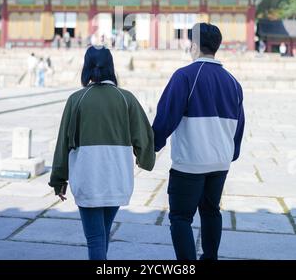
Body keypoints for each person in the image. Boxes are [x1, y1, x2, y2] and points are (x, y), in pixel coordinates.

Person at [49, 46, 155, 260]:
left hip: (87, 179)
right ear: (111, 68)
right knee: (102, 234)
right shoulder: (126, 98)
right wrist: (144, 160)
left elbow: (63, 145)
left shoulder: (76, 99)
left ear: (86, 68)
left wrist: (58, 180)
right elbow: (144, 137)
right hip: (117, 178)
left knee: (96, 238)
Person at [152, 23, 245, 261]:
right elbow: (239, 126)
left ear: (194, 45)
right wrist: (230, 154)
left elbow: (166, 117)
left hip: (190, 164)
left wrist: (152, 145)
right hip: (220, 163)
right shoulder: (233, 83)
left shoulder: (185, 76)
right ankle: (210, 257)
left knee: (181, 217)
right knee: (211, 211)